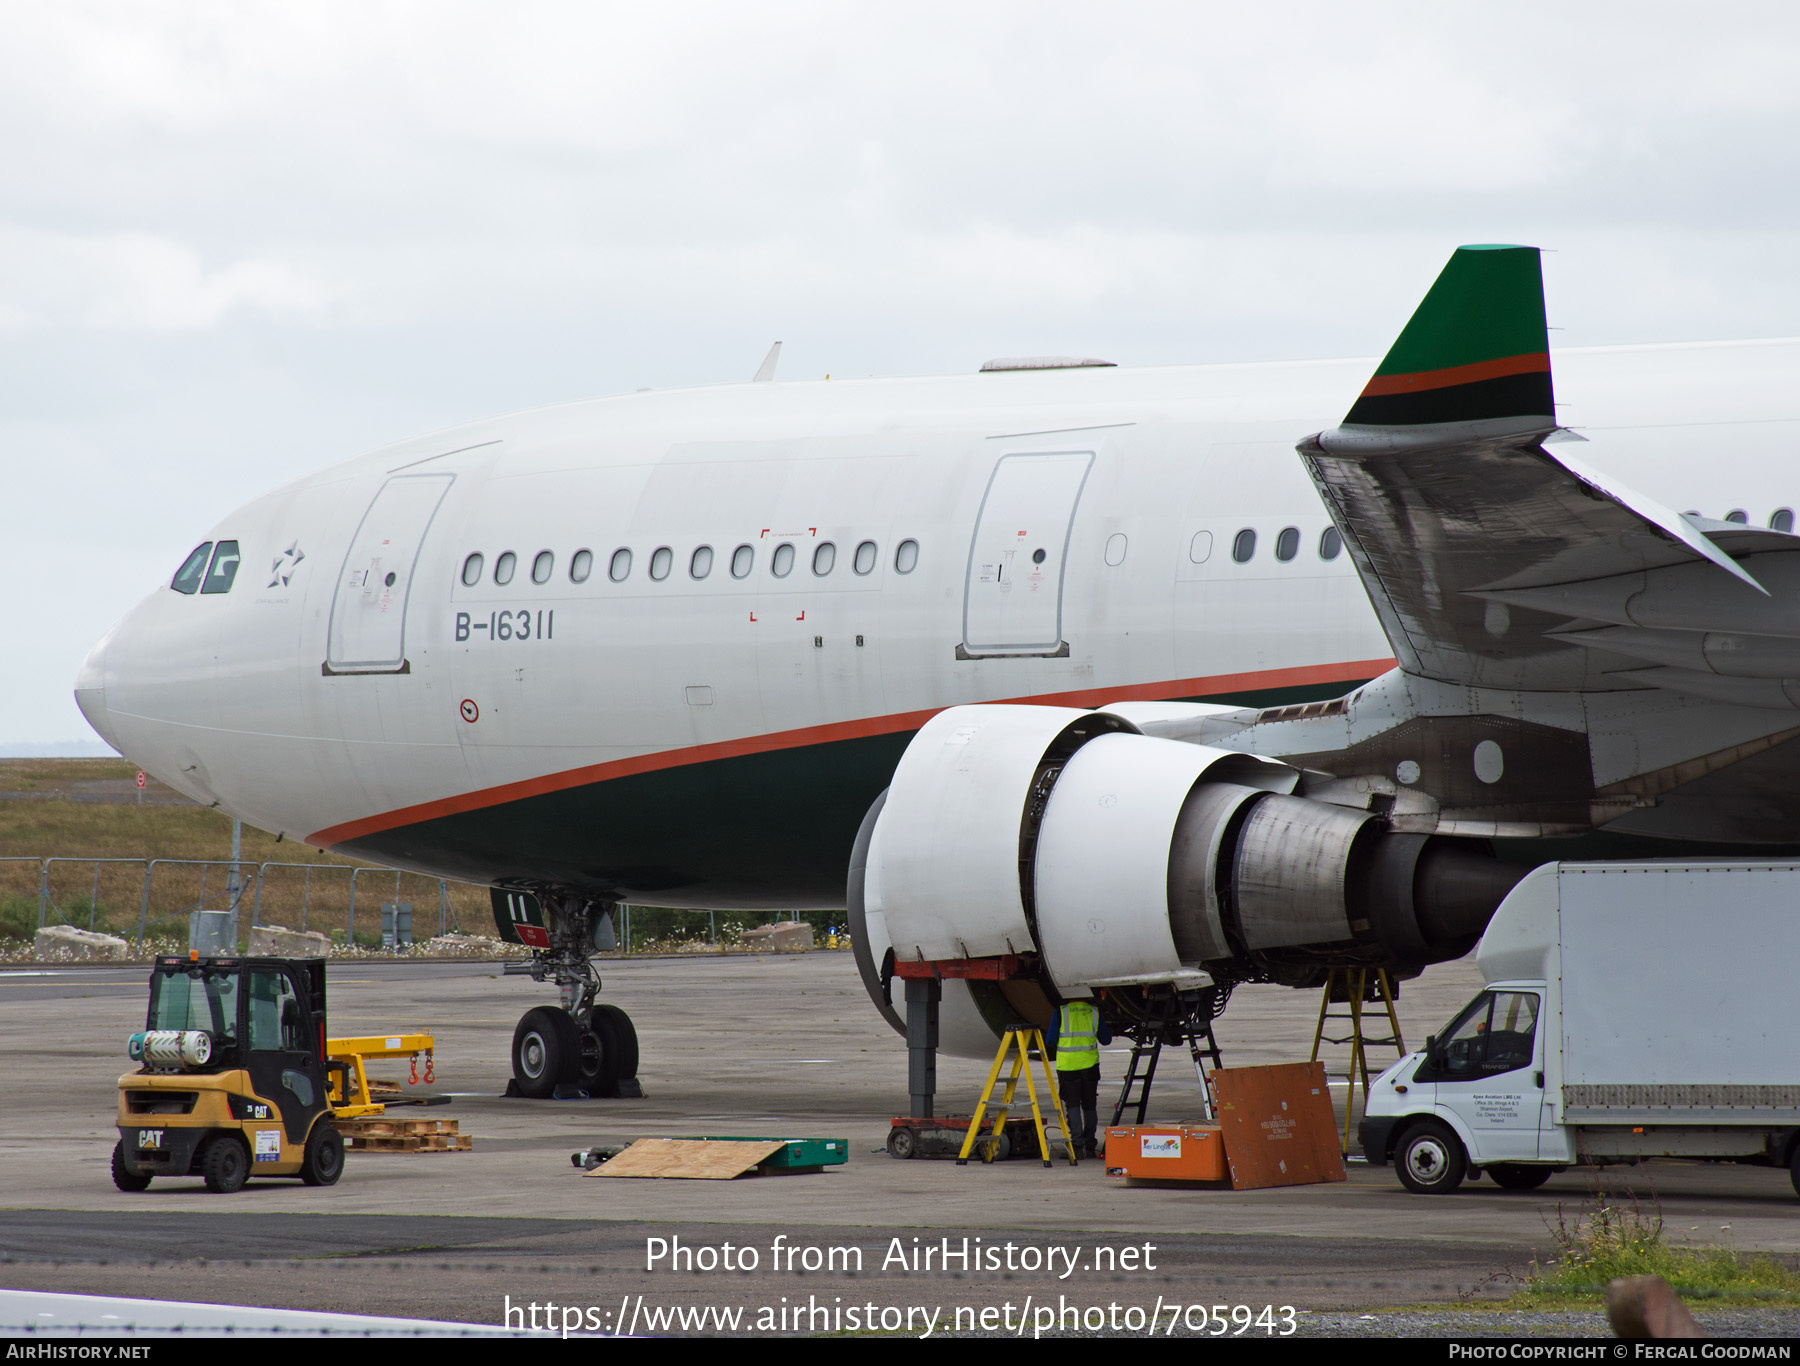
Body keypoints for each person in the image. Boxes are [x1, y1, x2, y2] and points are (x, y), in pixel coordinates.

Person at [1047, 996, 1112, 1160]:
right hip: (1090, 1066)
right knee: (1090, 1106)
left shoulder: (1061, 1012)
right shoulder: (1095, 1012)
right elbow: (1106, 1040)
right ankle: (1090, 1145)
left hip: (1068, 1066)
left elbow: (1050, 1040)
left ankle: (1076, 1146)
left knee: (1073, 1105)